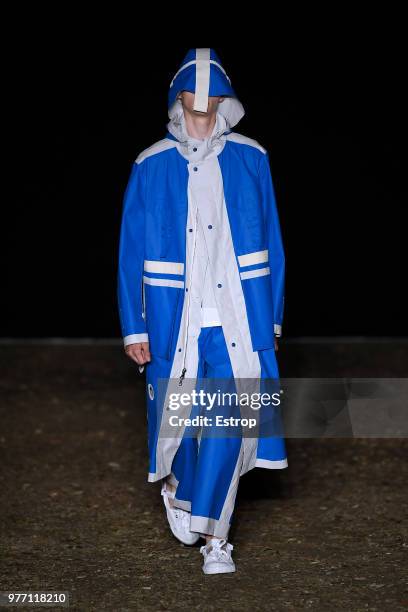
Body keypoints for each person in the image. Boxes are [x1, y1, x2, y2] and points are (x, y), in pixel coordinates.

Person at [117, 48, 288, 575]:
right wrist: (134, 326)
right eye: (191, 106)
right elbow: (129, 250)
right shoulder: (151, 164)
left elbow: (273, 246)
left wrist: (271, 318)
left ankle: (216, 539)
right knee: (179, 421)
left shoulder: (251, 158)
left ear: (223, 104)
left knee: (227, 424)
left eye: (210, 105)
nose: (201, 115)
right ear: (177, 105)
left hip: (237, 318)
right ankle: (182, 491)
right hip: (175, 319)